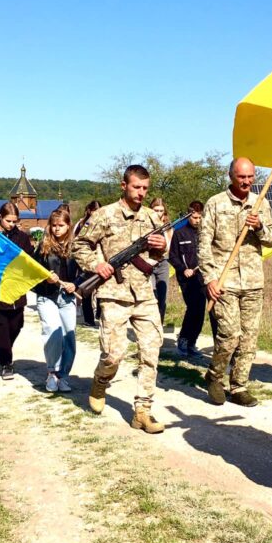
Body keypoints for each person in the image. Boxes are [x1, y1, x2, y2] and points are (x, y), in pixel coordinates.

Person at [72, 165, 167, 434]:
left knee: (151, 352)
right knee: (114, 354)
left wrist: (162, 248)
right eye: (136, 187)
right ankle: (100, 383)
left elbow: (158, 255)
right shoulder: (104, 215)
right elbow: (79, 246)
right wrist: (96, 264)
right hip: (113, 293)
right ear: (123, 185)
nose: (141, 193)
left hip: (144, 294)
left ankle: (143, 411)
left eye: (145, 188)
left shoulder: (151, 217)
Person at [197, 157, 272, 407]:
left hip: (253, 281)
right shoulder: (215, 204)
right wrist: (209, 278)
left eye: (251, 176)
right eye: (242, 177)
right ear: (231, 176)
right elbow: (203, 245)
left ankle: (239, 385)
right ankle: (214, 376)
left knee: (249, 338)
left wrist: (260, 226)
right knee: (230, 335)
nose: (247, 181)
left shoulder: (260, 203)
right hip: (224, 280)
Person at [32, 207, 79, 392]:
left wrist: (75, 284)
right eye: (54, 225)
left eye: (61, 225)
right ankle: (52, 372)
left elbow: (83, 274)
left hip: (67, 297)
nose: (57, 229)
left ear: (68, 226)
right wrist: (45, 277)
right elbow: (34, 270)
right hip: (47, 295)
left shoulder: (76, 247)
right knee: (53, 331)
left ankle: (63, 376)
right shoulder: (43, 246)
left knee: (69, 336)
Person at [0, 202, 33, 379]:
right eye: (8, 221)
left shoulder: (21, 237)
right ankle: (6, 363)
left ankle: (6, 348)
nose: (11, 224)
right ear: (0, 216)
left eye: (14, 221)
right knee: (1, 327)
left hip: (16, 290)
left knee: (16, 325)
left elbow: (28, 259)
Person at [169, 200, 217, 357]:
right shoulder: (180, 233)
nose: (197, 221)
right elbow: (172, 256)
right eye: (194, 217)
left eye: (200, 218)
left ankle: (192, 343)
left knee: (205, 312)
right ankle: (183, 340)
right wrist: (184, 269)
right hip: (188, 280)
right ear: (188, 215)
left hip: (205, 277)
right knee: (194, 310)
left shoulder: (207, 233)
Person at [74, 200, 103, 328]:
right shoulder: (82, 224)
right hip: (87, 260)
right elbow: (77, 241)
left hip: (101, 259)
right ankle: (89, 318)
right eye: (95, 210)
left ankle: (101, 315)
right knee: (87, 290)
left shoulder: (104, 222)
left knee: (102, 289)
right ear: (90, 211)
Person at [148, 197, 173, 327]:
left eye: (161, 210)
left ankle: (159, 326)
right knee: (151, 296)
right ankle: (149, 327)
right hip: (147, 264)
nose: (158, 213)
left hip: (163, 263)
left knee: (162, 297)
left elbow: (169, 247)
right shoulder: (145, 224)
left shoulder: (168, 227)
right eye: (156, 210)